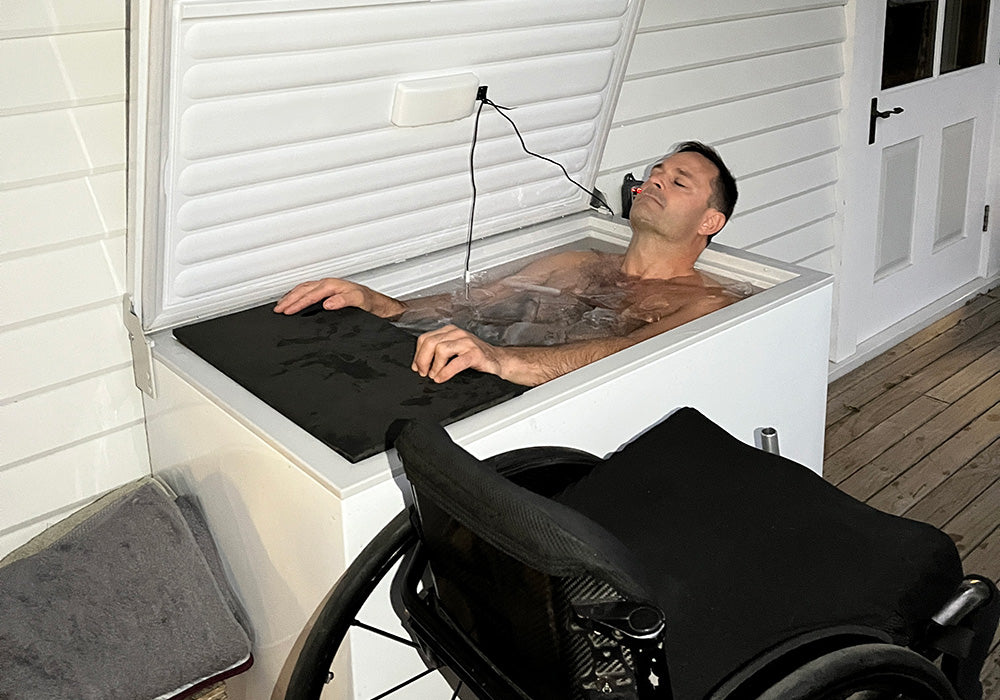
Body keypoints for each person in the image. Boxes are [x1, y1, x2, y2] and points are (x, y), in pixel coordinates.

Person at [275, 141, 739, 386]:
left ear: (710, 221)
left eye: (679, 182)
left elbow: (624, 357)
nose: (656, 181)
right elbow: (468, 305)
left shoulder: (706, 303)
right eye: (656, 171)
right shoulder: (576, 263)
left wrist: (502, 360)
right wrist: (376, 301)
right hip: (493, 375)